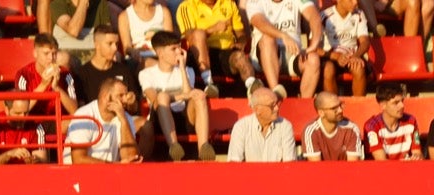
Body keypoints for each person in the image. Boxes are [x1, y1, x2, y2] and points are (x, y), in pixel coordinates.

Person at [140, 31, 215, 161]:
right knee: (162, 96)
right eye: (173, 49)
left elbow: (189, 93)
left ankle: (204, 147)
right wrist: (182, 96)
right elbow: (154, 100)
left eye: (179, 47)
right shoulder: (146, 74)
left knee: (199, 95)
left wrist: (182, 68)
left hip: (185, 117)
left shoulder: (187, 70)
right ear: (160, 53)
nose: (179, 52)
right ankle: (173, 147)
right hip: (161, 118)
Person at [246, 0, 322, 101]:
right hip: (264, 53)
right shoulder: (254, 2)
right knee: (268, 39)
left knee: (313, 59)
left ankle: (304, 102)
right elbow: (258, 21)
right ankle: (276, 92)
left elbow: (314, 16)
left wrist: (314, 43)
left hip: (293, 52)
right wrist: (282, 35)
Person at [63, 77, 141, 163]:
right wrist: (114, 166)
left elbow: (131, 157)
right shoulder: (84, 115)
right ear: (106, 97)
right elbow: (78, 160)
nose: (125, 100)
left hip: (110, 173)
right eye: (121, 95)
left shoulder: (124, 117)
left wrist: (123, 120)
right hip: (78, 174)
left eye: (126, 95)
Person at [227, 85, 300, 160]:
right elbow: (234, 163)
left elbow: (290, 163)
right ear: (257, 109)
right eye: (272, 105)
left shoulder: (285, 126)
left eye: (277, 103)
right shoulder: (241, 127)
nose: (277, 108)